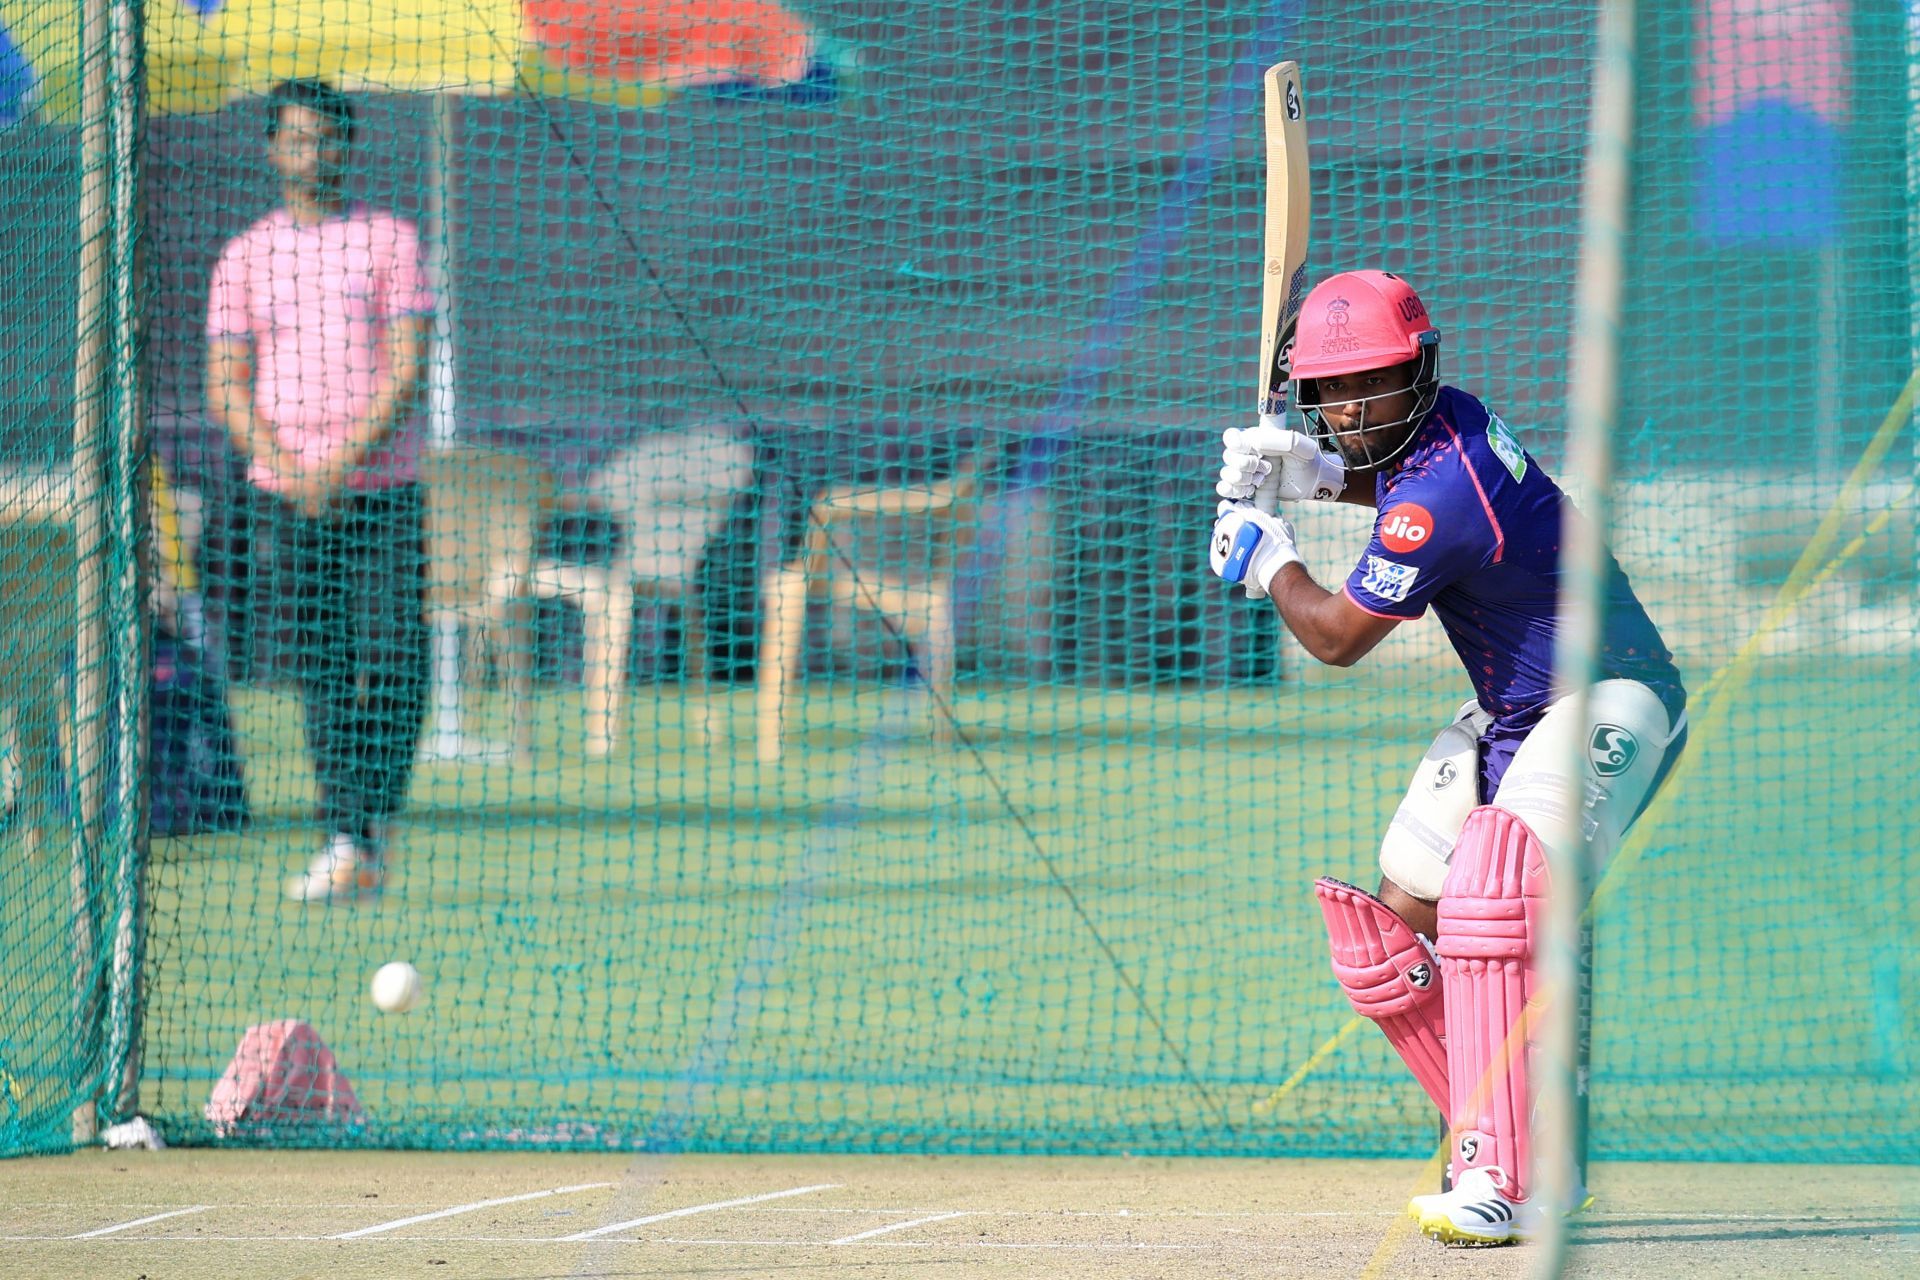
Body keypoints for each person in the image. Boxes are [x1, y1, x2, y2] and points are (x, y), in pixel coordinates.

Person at [1208, 270, 1687, 1246]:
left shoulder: (1440, 498)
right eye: (1330, 392)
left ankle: (1511, 1173)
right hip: (1514, 707)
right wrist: (1313, 471)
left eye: (1371, 383)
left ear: (1417, 371)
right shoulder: (1447, 427)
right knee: (1389, 930)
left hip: (1613, 693)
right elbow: (1387, 472)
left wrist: (1269, 557)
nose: (1347, 407)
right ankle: (1491, 1134)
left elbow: (1339, 636)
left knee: (1493, 891)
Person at [205, 79, 434, 902]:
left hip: (381, 489)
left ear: (350, 146)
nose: (314, 153)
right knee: (324, 666)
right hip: (284, 493)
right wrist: (288, 465)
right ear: (273, 149)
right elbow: (227, 384)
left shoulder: (391, 240)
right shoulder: (243, 257)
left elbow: (408, 367)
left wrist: (338, 464)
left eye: (328, 139)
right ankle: (346, 836)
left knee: (402, 658)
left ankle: (371, 814)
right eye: (298, 139)